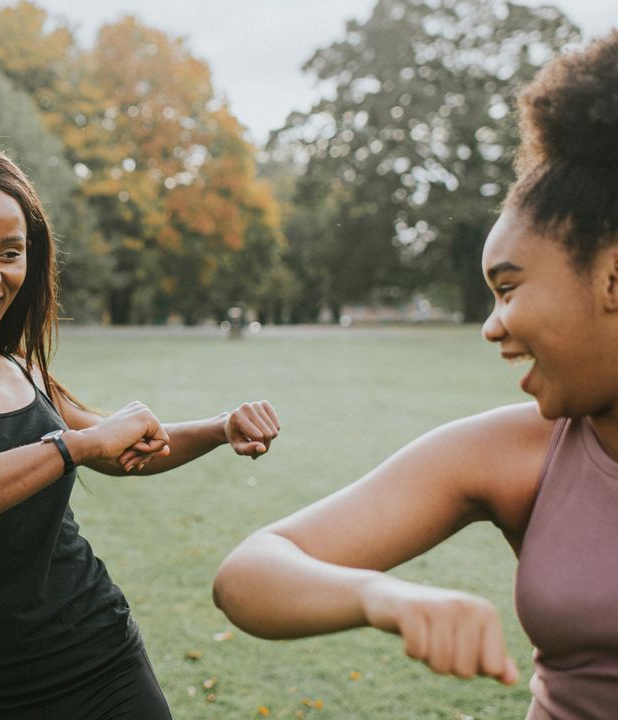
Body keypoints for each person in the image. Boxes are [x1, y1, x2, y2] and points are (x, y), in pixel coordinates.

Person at [212, 31, 618, 720]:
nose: (492, 326)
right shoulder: (520, 455)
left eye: (509, 288)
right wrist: (381, 596)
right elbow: (251, 573)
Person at [0, 139, 280, 719]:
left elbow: (121, 449)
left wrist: (220, 427)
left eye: (9, 254)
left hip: (103, 659)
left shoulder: (21, 366)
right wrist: (70, 448)